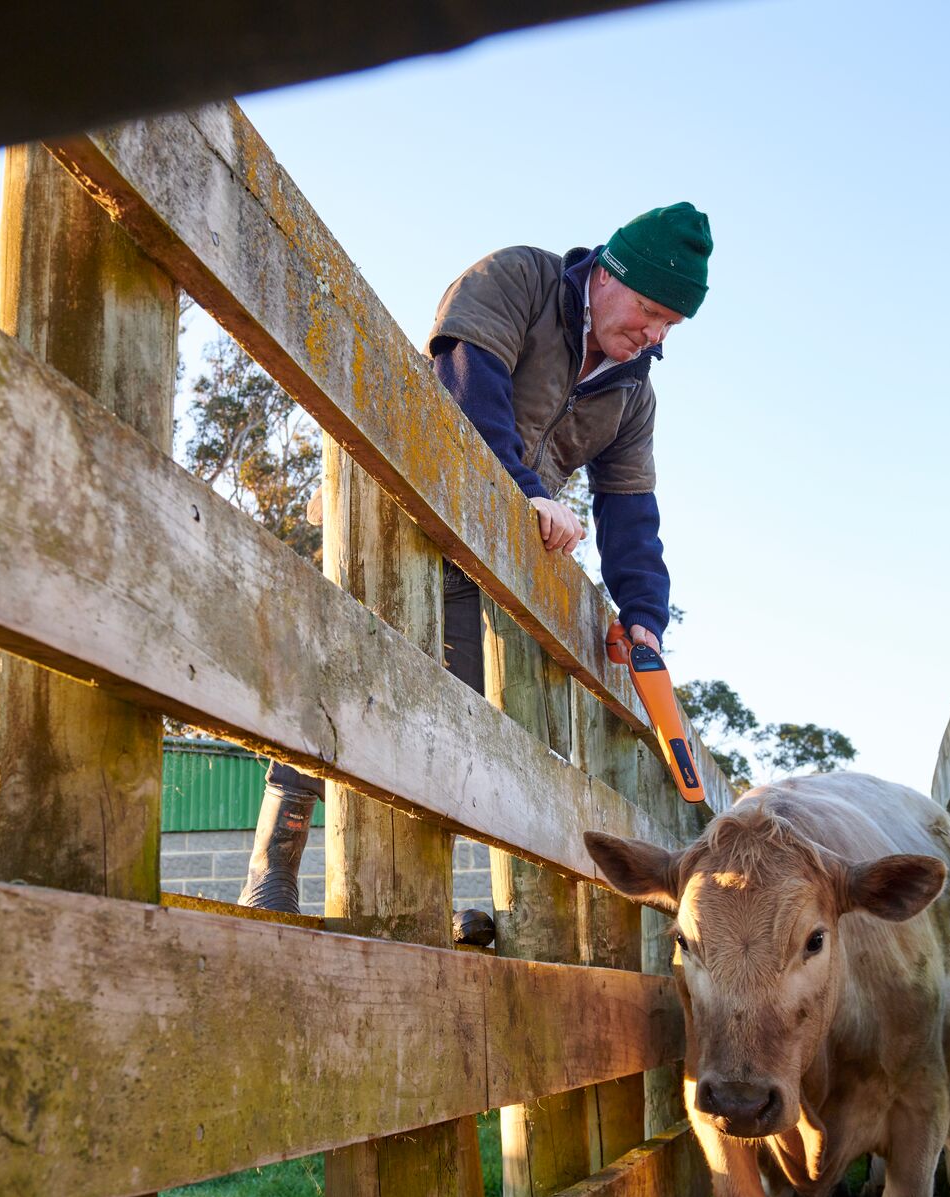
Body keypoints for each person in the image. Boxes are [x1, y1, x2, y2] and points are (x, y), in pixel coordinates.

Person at [238, 202, 713, 916]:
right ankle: (274, 869)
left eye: (669, 327)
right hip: (392, 515)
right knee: (342, 674)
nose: (652, 335)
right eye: (649, 310)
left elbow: (630, 513)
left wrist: (642, 615)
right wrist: (527, 495)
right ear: (609, 276)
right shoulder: (519, 278)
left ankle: (405, 903)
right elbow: (465, 389)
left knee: (439, 713)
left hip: (480, 563)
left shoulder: (632, 394)